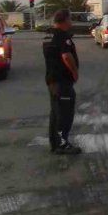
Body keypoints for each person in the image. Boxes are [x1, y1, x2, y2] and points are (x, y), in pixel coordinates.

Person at [42, 9, 81, 155]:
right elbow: (66, 56)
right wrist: (74, 71)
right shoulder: (62, 36)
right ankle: (63, 145)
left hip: (52, 80)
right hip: (62, 81)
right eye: (70, 19)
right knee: (64, 113)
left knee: (56, 112)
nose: (71, 22)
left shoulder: (49, 35)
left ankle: (55, 143)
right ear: (64, 20)